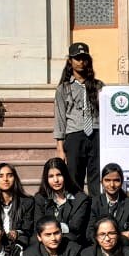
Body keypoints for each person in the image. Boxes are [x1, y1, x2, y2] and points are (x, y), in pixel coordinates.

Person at [54, 41, 102, 195]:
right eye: (77, 58)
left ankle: (96, 208)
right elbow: (60, 118)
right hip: (74, 135)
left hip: (96, 134)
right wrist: (60, 148)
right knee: (74, 178)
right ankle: (77, 207)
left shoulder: (99, 86)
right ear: (70, 61)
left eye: (84, 58)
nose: (81, 62)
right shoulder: (63, 88)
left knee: (97, 178)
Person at [33, 156, 91, 246]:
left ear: (65, 175)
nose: (56, 180)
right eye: (51, 176)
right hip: (46, 243)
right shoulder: (40, 198)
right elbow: (39, 225)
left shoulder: (81, 199)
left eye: (59, 175)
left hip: (71, 242)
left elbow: (75, 227)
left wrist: (50, 229)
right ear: (46, 179)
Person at [0, 162, 37, 249]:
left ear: (15, 178)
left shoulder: (27, 202)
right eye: (0, 176)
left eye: (9, 175)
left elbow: (28, 228)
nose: (5, 179)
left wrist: (17, 232)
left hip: (18, 240)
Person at [89, 163, 129, 244]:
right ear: (101, 182)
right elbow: (89, 234)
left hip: (124, 249)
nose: (112, 185)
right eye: (107, 180)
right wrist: (119, 235)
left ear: (122, 181)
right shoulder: (94, 203)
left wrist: (102, 235)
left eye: (116, 180)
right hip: (100, 248)